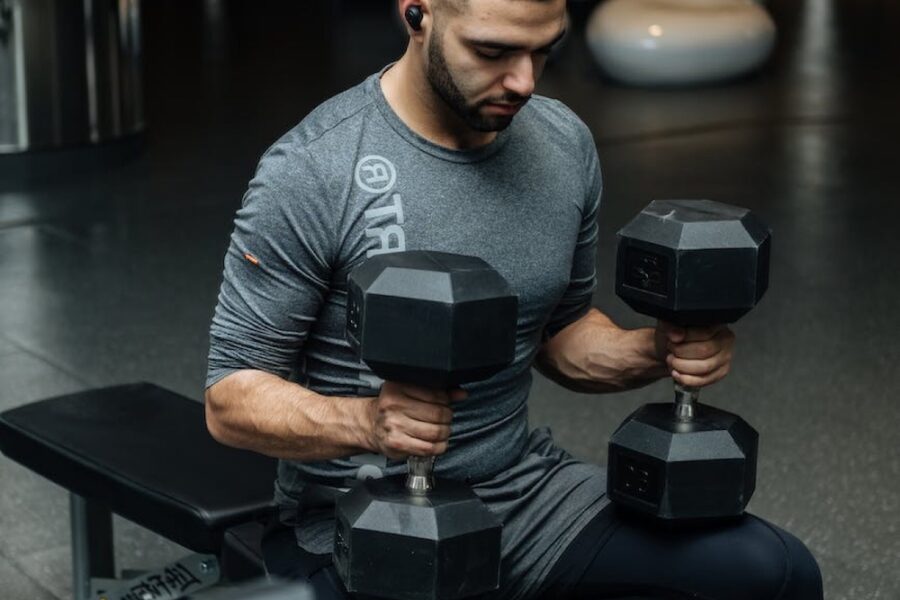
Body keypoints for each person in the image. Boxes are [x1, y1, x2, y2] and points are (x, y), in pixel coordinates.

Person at [204, 0, 823, 598]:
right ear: (416, 12)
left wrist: (658, 349)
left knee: (774, 571)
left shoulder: (563, 143)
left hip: (522, 494)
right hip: (363, 516)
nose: (523, 81)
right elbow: (230, 398)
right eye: (493, 50)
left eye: (543, 50)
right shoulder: (316, 168)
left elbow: (562, 332)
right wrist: (367, 422)